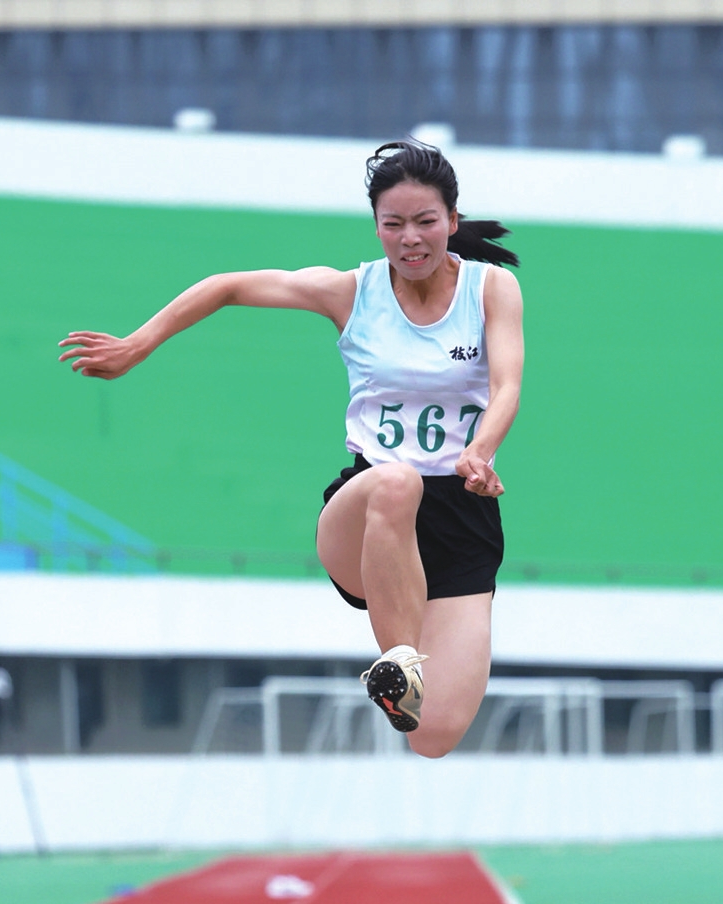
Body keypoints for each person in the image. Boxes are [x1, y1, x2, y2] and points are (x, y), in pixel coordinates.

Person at [59, 140, 523, 758]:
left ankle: (407, 684)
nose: (410, 239)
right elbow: (229, 286)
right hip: (366, 515)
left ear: (452, 223)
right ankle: (398, 664)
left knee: (434, 736)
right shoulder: (350, 293)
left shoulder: (491, 290)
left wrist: (480, 451)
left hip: (461, 512)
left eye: (425, 222)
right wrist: (137, 345)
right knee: (397, 481)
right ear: (377, 227)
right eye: (393, 224)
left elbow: (507, 383)